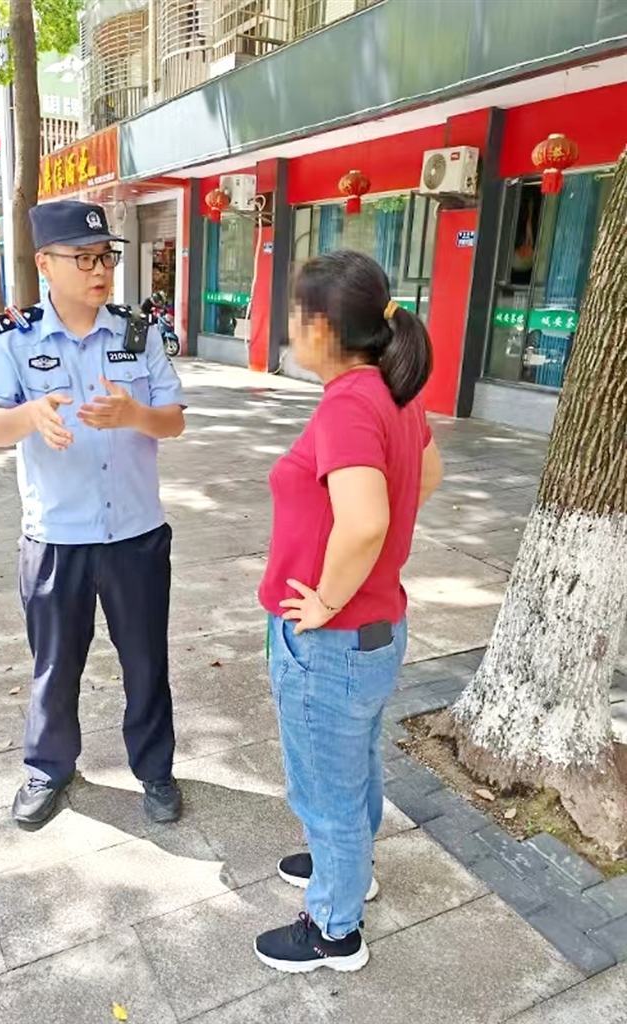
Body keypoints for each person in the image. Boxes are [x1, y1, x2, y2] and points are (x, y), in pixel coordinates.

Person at [0, 200, 186, 828]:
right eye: (84, 259)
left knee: (146, 661)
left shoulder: (138, 332)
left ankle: (155, 770)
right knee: (55, 665)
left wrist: (135, 415)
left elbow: (172, 421)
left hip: (136, 535)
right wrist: (28, 416)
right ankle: (49, 769)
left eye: (106, 257)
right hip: (56, 537)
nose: (100, 270)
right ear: (45, 264)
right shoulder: (12, 338)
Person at [255, 250, 443, 973]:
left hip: (330, 636)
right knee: (353, 766)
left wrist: (328, 596)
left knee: (324, 789)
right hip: (376, 629)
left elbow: (364, 522)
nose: (288, 326)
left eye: (294, 314)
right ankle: (348, 869)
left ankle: (334, 928)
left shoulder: (347, 404)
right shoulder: (394, 392)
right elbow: (427, 474)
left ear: (321, 327)